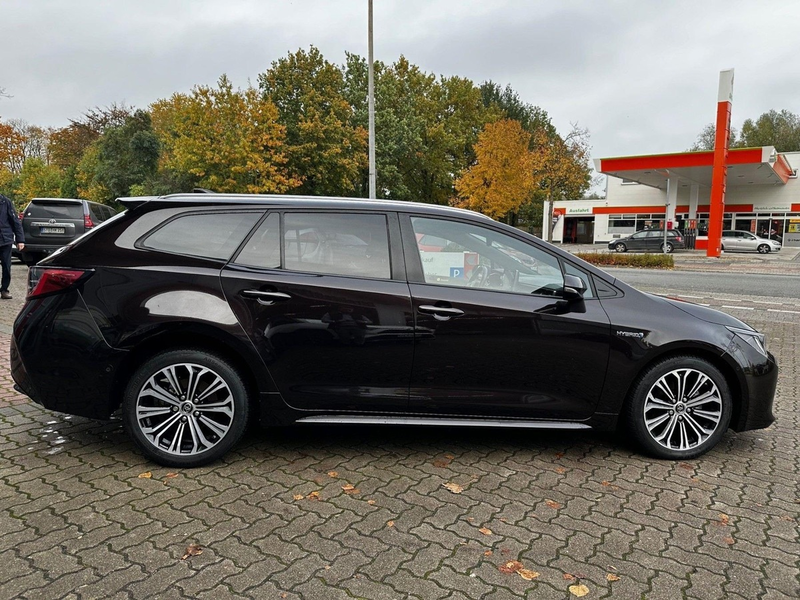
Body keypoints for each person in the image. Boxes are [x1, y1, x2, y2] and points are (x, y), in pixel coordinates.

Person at [0, 194, 25, 300]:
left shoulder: (5, 202)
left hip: (5, 240)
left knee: (6, 267)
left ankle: (4, 290)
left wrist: (20, 240)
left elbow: (15, 221)